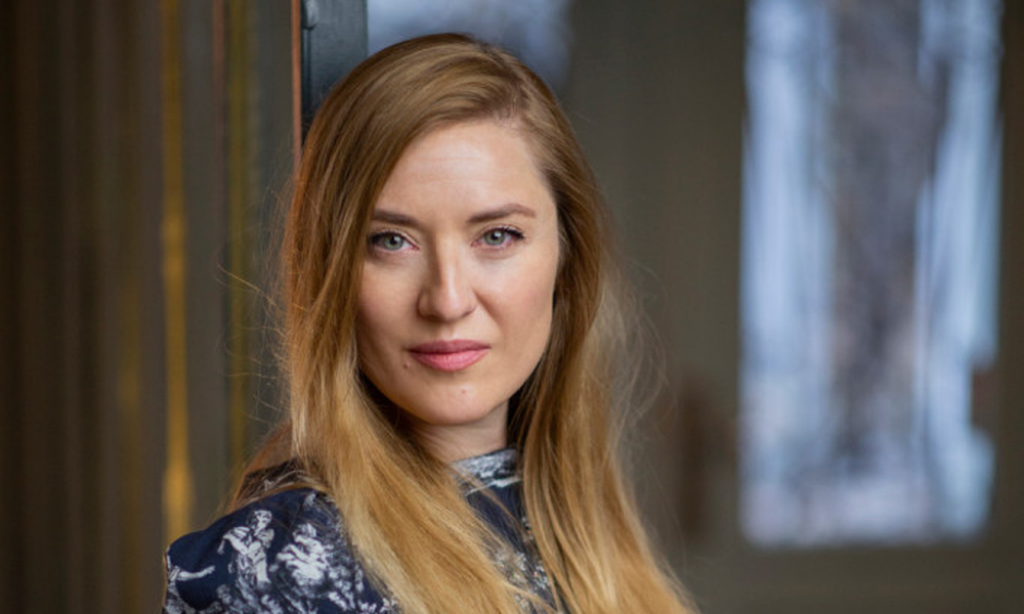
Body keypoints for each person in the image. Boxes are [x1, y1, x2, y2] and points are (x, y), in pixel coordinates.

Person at [163, 33, 695, 614]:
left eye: (497, 236)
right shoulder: (277, 572)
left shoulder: (587, 538)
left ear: (567, 258)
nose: (447, 300)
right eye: (391, 241)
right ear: (329, 273)